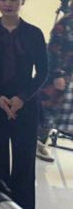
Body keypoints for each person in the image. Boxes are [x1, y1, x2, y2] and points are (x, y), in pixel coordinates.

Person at [0, 0, 48, 209]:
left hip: (26, 106)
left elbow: (43, 71)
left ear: (22, 1)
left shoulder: (33, 33)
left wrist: (21, 98)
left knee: (24, 163)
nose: (8, 4)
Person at [37, 10, 73, 162]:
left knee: (56, 113)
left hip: (68, 77)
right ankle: (37, 144)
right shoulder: (66, 23)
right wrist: (58, 74)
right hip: (58, 77)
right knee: (48, 112)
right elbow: (52, 50)